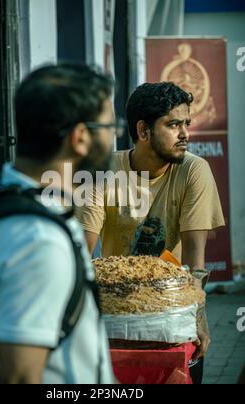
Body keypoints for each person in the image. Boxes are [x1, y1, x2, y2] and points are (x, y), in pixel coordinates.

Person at [0, 64, 119, 384]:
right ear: (80, 137)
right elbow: (22, 376)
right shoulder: (39, 241)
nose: (114, 138)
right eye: (111, 127)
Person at [76, 82, 226, 384]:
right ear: (143, 131)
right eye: (173, 125)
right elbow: (80, 254)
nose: (185, 134)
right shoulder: (102, 171)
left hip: (174, 312)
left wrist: (197, 319)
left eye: (187, 123)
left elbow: (196, 263)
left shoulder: (194, 171)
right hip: (116, 312)